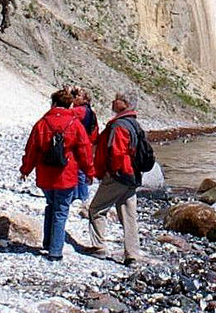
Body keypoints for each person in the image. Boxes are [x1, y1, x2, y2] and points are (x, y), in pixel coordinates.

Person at [19, 88, 95, 261]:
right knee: (61, 210)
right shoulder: (74, 124)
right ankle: (55, 251)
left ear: (53, 103)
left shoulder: (42, 123)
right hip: (66, 175)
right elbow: (84, 151)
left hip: (45, 174)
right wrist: (90, 172)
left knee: (50, 205)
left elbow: (31, 149)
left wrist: (25, 170)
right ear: (69, 104)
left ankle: (47, 242)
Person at [86, 92, 145, 265]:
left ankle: (99, 247)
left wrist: (110, 172)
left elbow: (117, 153)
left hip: (118, 175)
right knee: (129, 215)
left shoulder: (119, 125)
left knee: (96, 209)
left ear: (124, 104)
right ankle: (132, 254)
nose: (113, 102)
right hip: (132, 176)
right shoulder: (135, 124)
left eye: (117, 100)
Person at [71, 87, 99, 205]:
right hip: (87, 142)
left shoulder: (79, 111)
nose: (75, 97)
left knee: (79, 170)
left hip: (80, 142)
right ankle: (81, 195)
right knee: (81, 169)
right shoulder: (89, 111)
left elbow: (64, 114)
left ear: (85, 99)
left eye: (78, 95)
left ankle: (81, 196)